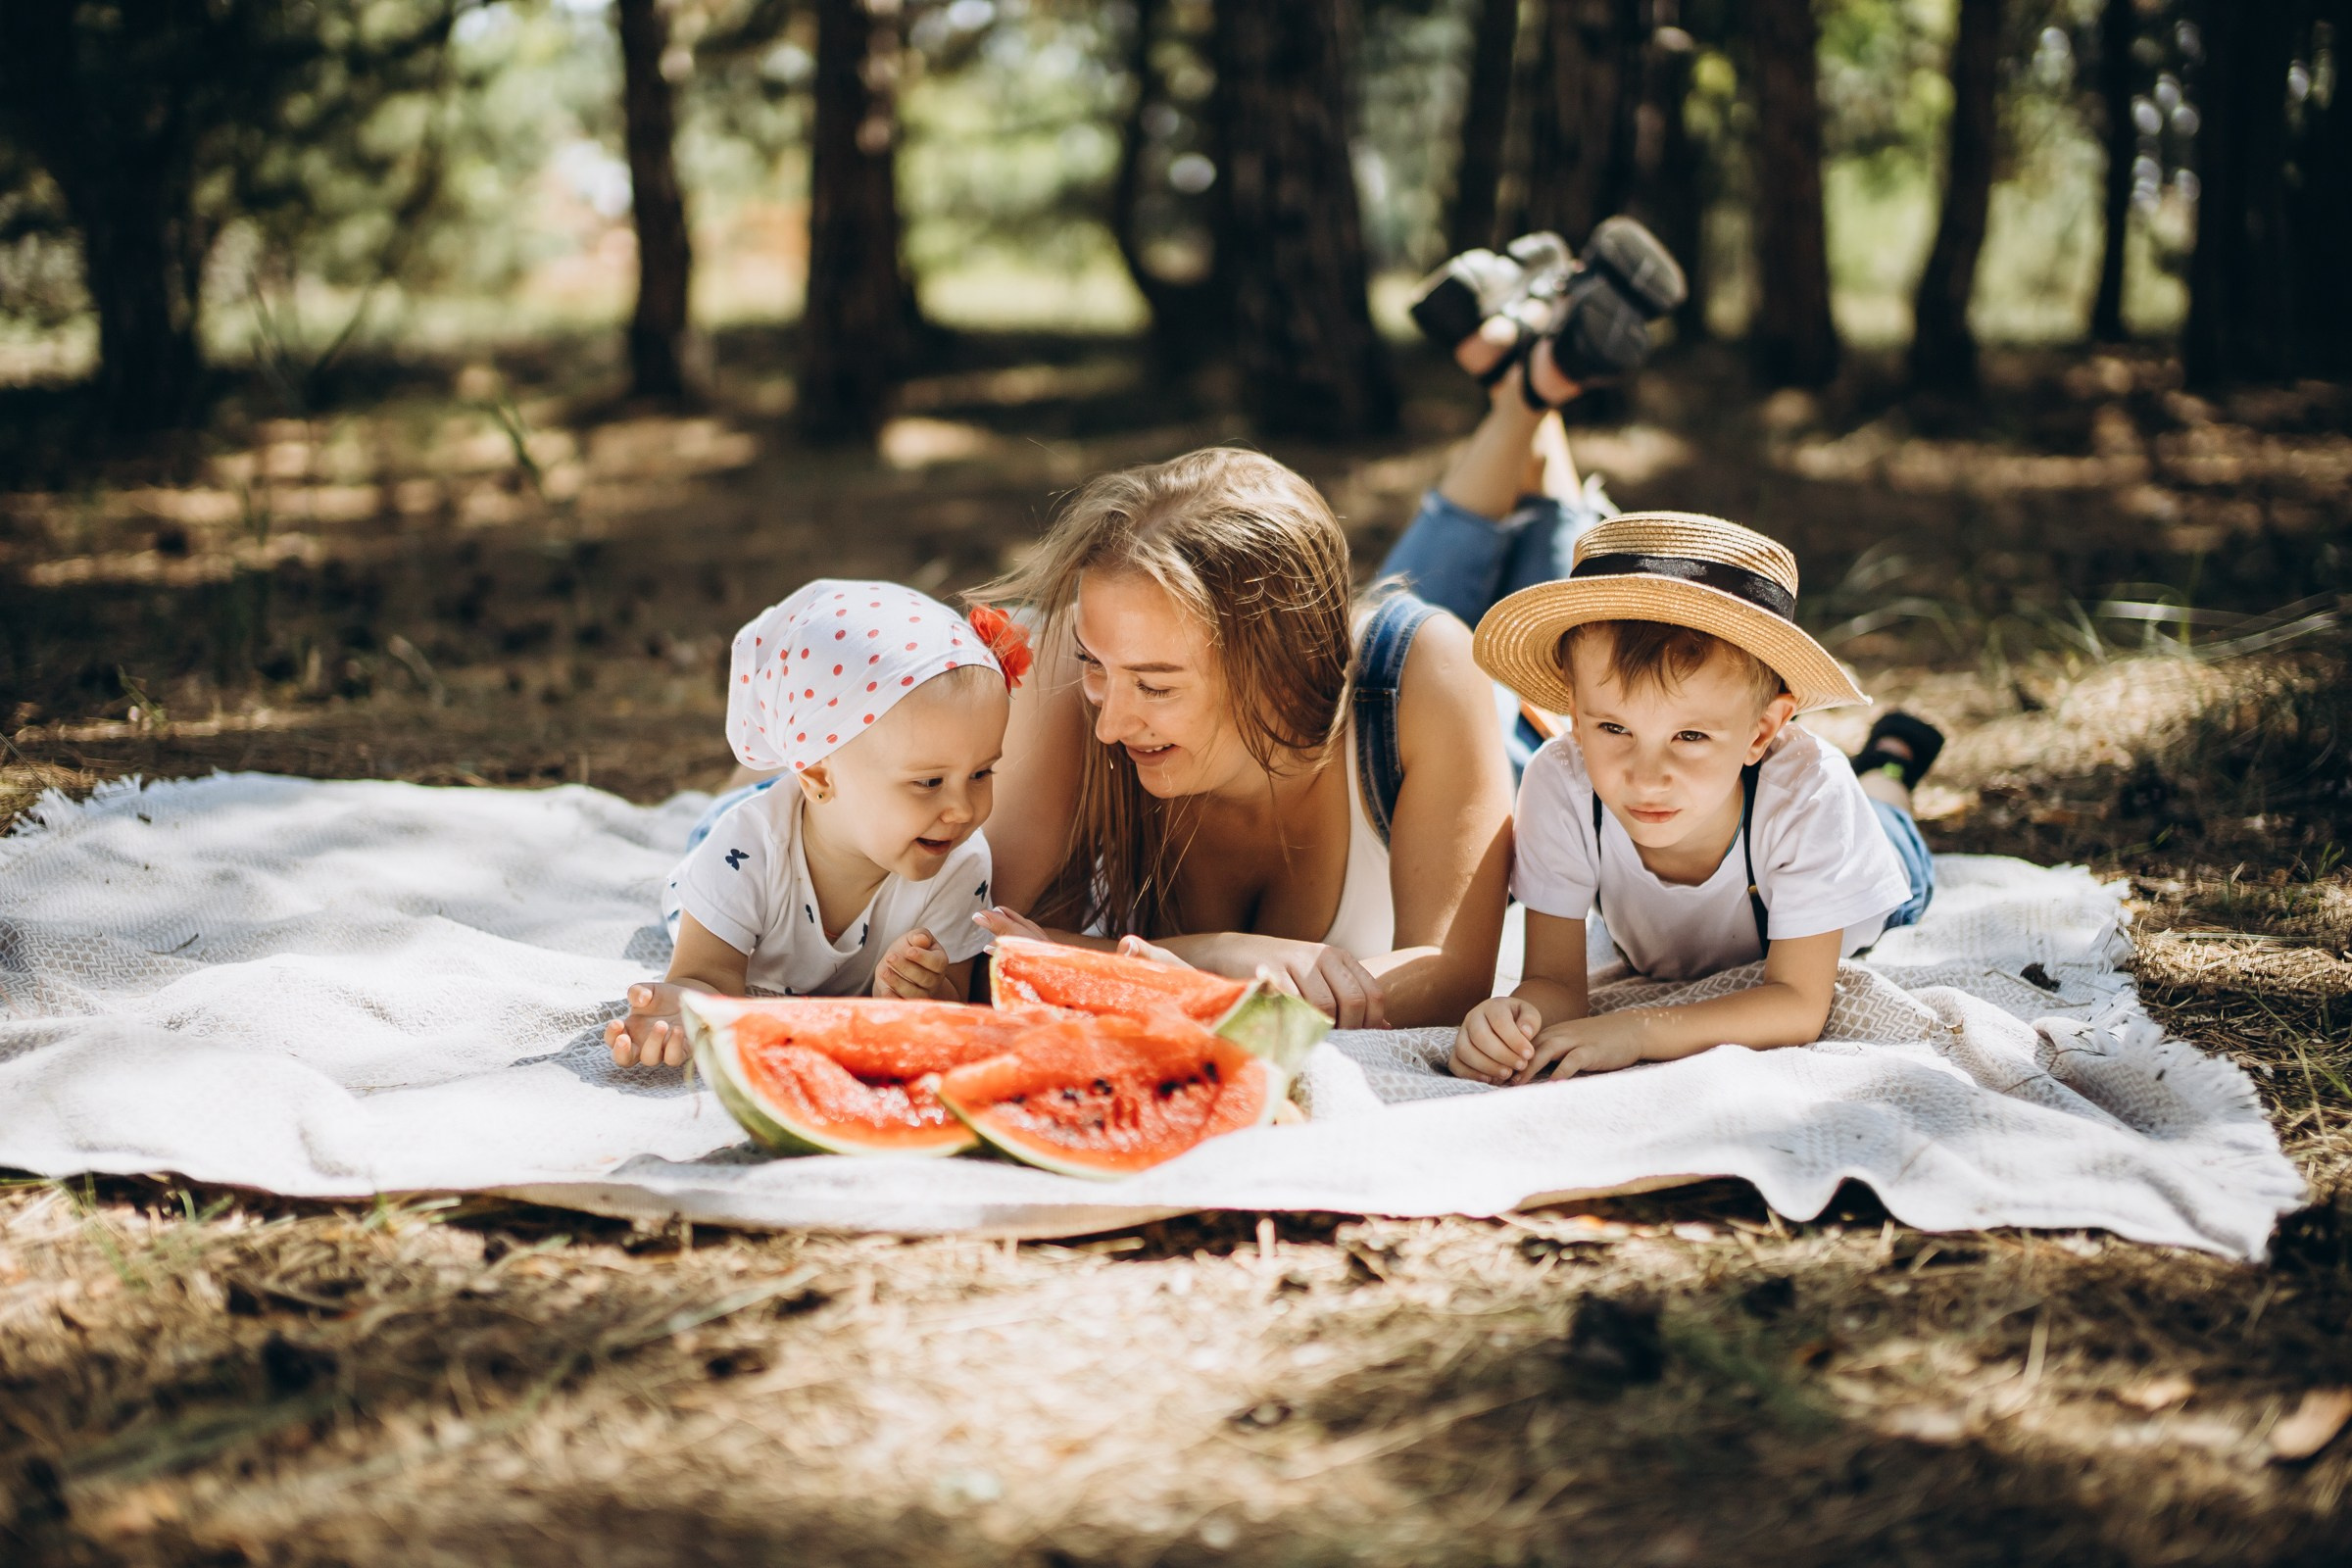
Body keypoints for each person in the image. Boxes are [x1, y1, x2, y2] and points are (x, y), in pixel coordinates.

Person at [971, 448, 1514, 1032]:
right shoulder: (1072, 666)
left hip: (1516, 740)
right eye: (1096, 665)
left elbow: (1450, 979)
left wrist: (1148, 977)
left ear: (1281, 672)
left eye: (1156, 687)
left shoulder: (1423, 674)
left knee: (1528, 553)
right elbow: (979, 958)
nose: (1110, 727)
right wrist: (1215, 958)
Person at [1448, 511, 1943, 1086]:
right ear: (1575, 717)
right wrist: (1516, 1022)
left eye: (1690, 736)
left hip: (1856, 876)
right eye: (1614, 729)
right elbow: (1556, 985)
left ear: (1761, 732)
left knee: (1881, 807)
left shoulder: (1809, 795)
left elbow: (1797, 1003)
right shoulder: (1562, 784)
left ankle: (1890, 761)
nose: (1647, 777)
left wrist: (1638, 1030)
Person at [606, 580, 1031, 1068]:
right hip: (741, 829)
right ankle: (749, 783)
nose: (962, 809)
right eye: (929, 781)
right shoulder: (744, 849)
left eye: (981, 772)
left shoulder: (960, 860)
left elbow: (955, 995)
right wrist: (681, 1010)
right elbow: (706, 978)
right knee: (722, 815)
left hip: (817, 804)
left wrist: (926, 990)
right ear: (820, 777)